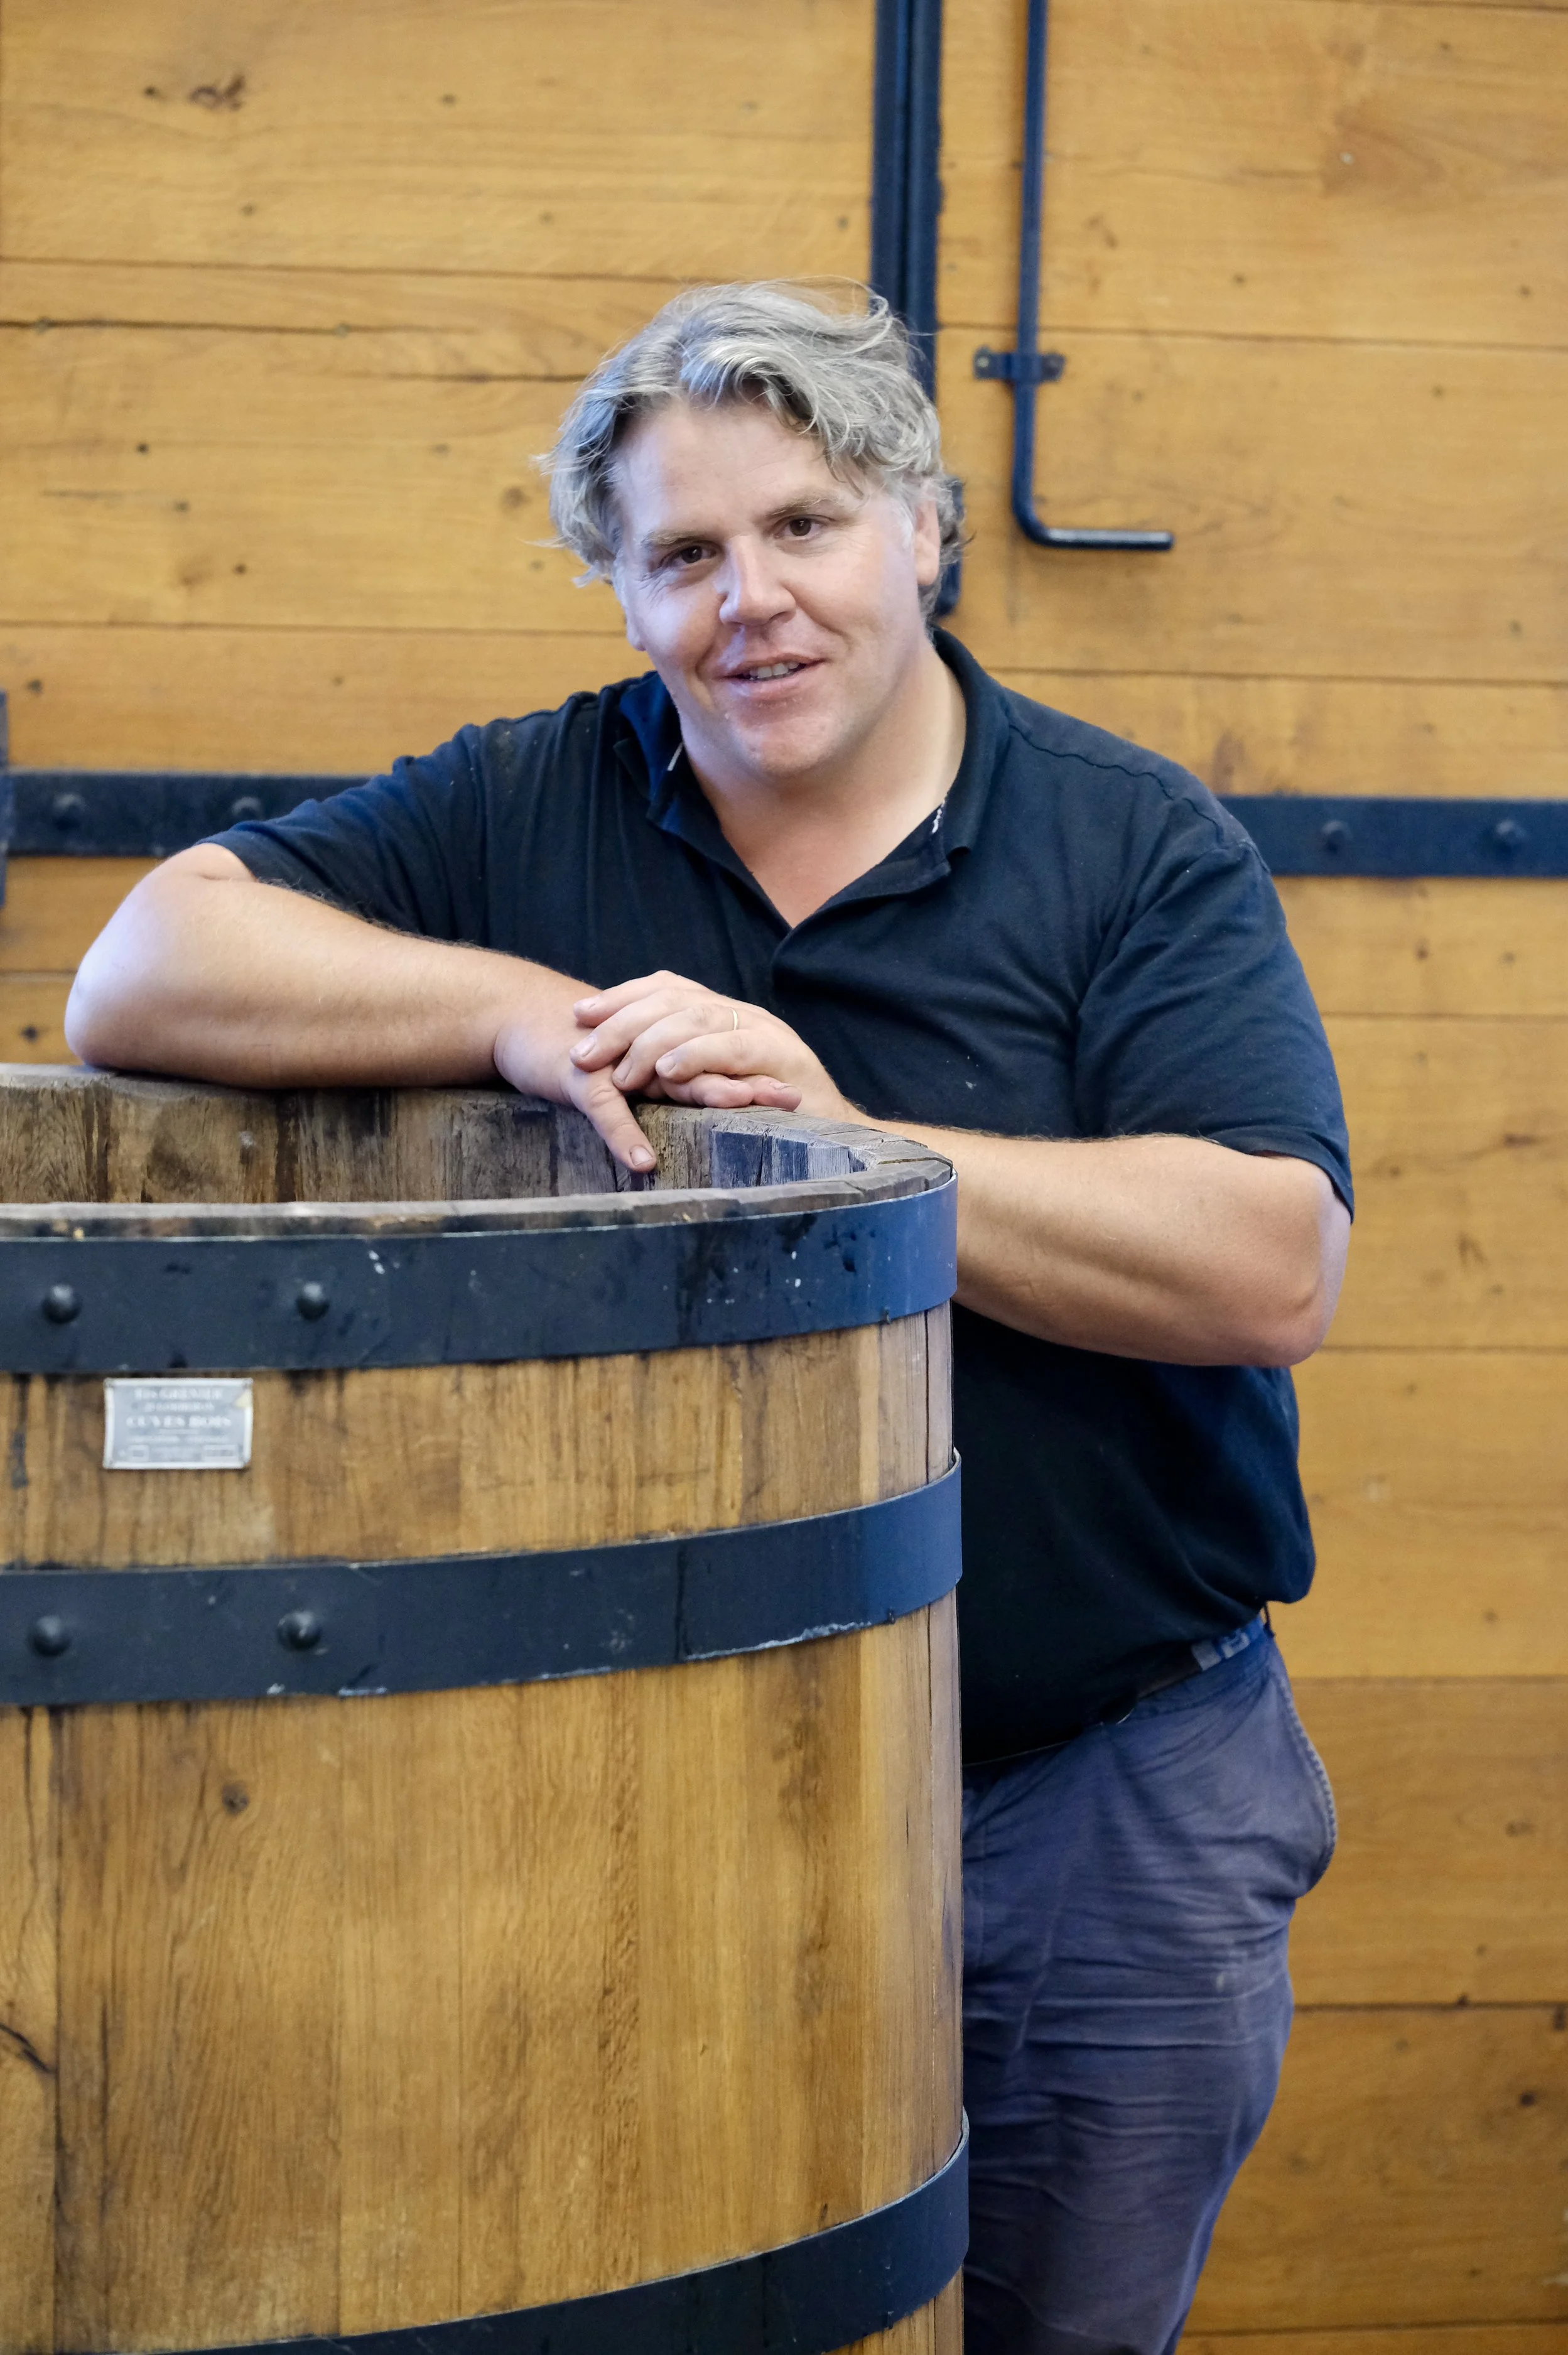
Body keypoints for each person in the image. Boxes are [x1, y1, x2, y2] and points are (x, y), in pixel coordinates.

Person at [68, 283, 1351, 2355]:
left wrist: (850, 1137)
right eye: (682, 555)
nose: (748, 602)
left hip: (1096, 1796)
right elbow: (138, 971)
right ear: (622, 587)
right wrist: (504, 1015)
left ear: (924, 528)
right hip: (643, 1800)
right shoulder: (535, 798)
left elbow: (1266, 1262)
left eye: (805, 526)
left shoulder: (1133, 848)